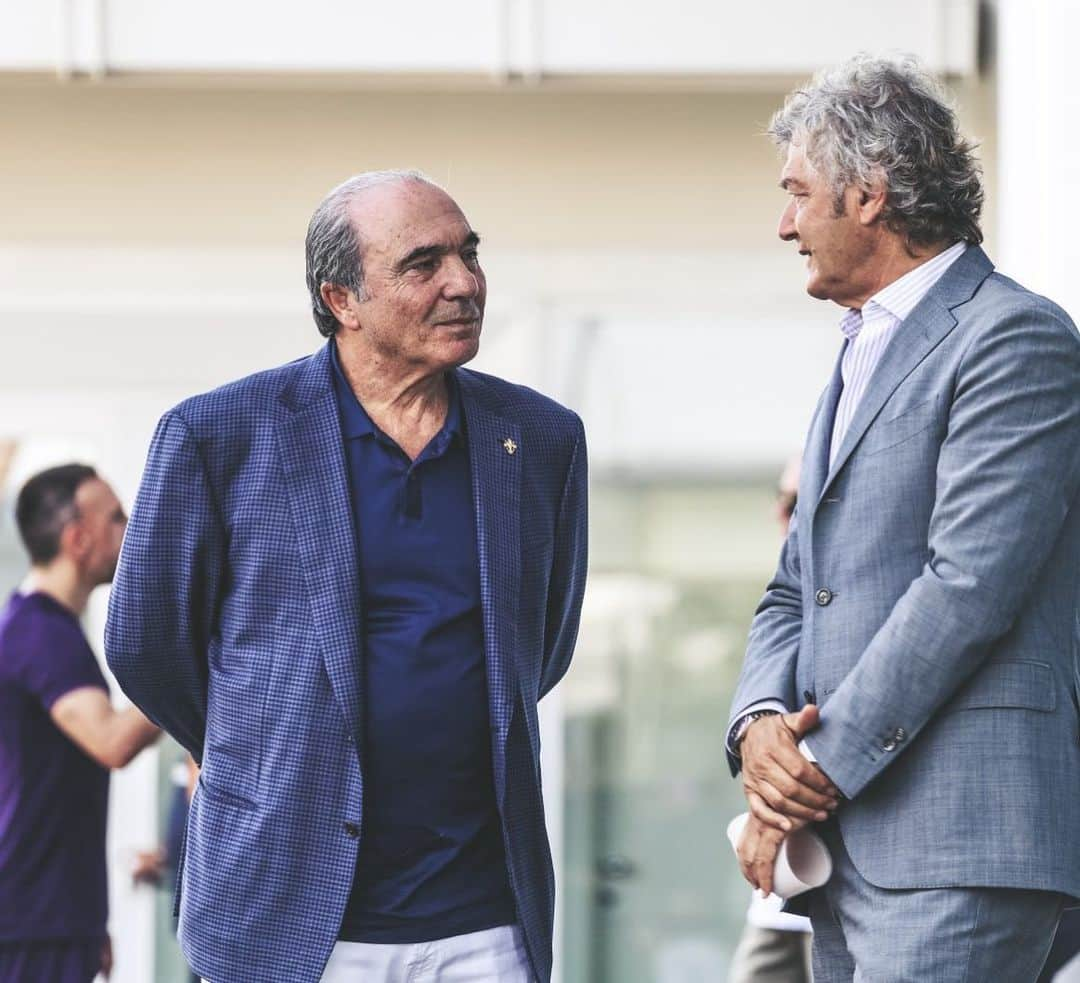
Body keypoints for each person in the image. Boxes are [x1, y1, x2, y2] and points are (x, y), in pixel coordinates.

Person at [105, 170, 588, 983]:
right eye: (423, 263)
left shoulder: (538, 437)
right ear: (342, 299)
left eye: (469, 254)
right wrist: (264, 747)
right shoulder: (217, 436)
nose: (464, 282)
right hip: (288, 919)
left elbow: (543, 641)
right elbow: (148, 646)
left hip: (486, 922)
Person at [726, 54, 1080, 981]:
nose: (785, 223)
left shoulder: (1014, 336)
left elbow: (968, 586)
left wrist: (802, 786)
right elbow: (798, 586)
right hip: (853, 863)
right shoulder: (859, 352)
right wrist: (759, 722)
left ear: (870, 194)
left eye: (799, 194)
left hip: (966, 845)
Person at [0, 464, 160, 983]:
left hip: (54, 916)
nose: (130, 526)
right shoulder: (40, 633)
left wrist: (90, 924)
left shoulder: (45, 627)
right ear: (78, 538)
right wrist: (188, 670)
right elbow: (111, 742)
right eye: (116, 517)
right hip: (30, 918)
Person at [727, 456, 812, 983]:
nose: (786, 519)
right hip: (778, 889)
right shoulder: (783, 601)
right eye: (785, 504)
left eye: (800, 505)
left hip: (842, 880)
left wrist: (774, 810)